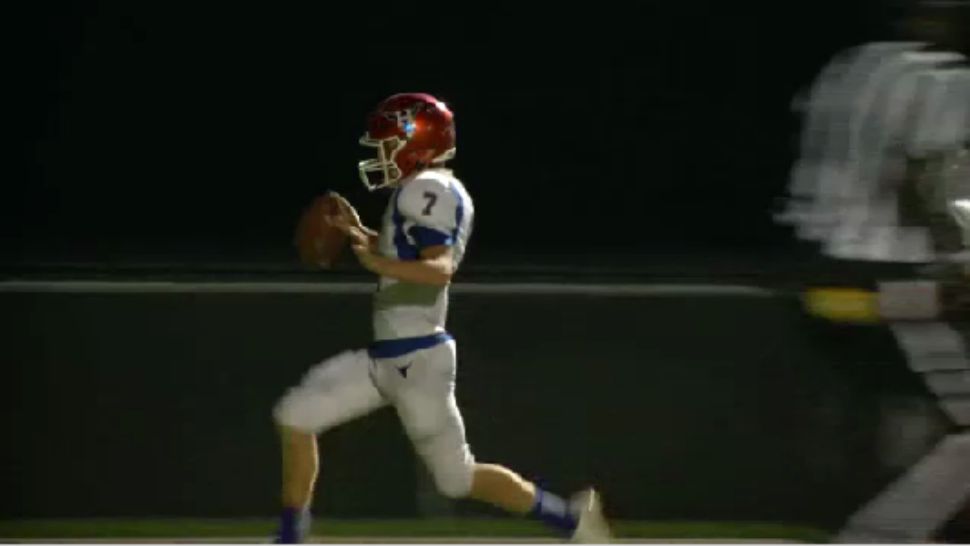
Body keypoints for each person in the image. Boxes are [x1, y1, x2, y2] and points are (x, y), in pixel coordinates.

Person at [272, 92, 611, 543]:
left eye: (387, 143)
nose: (380, 154)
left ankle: (570, 519)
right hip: (388, 359)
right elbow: (407, 254)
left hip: (417, 361)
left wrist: (378, 264)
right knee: (295, 415)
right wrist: (364, 237)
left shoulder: (428, 189)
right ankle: (292, 537)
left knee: (456, 478)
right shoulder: (423, 190)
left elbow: (438, 268)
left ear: (417, 144)